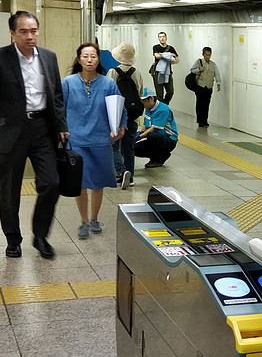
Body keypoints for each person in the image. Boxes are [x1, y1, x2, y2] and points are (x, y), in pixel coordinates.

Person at [0, 11, 69, 260]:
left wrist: (62, 126)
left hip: (42, 130)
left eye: (34, 31)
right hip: (10, 130)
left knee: (51, 184)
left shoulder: (48, 57)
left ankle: (41, 235)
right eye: (24, 31)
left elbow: (56, 95)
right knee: (9, 190)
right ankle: (13, 239)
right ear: (13, 33)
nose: (30, 36)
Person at [62, 43, 126, 239]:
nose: (89, 60)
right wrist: (61, 129)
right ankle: (84, 221)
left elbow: (119, 107)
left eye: (93, 57)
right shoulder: (68, 82)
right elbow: (59, 108)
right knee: (80, 182)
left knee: (98, 182)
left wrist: (120, 127)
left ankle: (95, 218)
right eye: (85, 56)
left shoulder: (108, 84)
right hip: (76, 139)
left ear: (98, 59)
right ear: (79, 59)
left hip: (101, 139)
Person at [108, 43, 144, 189]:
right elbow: (140, 93)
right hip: (133, 115)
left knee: (113, 145)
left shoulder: (113, 72)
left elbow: (108, 92)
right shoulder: (136, 72)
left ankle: (121, 173)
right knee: (129, 148)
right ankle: (131, 176)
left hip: (116, 115)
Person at [135, 90, 178, 168]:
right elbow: (145, 126)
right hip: (156, 138)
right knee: (134, 148)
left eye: (143, 101)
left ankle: (158, 158)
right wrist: (138, 134)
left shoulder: (163, 109)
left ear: (151, 99)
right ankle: (159, 155)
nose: (142, 103)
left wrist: (139, 137)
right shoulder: (148, 108)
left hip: (169, 140)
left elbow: (153, 129)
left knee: (151, 135)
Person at [188, 46, 222, 127]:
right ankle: (200, 121)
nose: (208, 56)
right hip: (200, 87)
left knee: (206, 104)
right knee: (200, 104)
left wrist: (218, 83)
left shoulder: (213, 65)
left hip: (209, 87)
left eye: (209, 55)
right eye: (206, 54)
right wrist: (199, 69)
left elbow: (217, 74)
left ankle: (205, 120)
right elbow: (192, 70)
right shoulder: (199, 62)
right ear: (203, 54)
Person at [152, 31, 179, 103]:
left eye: (163, 37)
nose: (162, 38)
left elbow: (177, 59)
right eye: (160, 37)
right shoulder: (156, 47)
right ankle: (161, 110)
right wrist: (169, 55)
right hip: (158, 72)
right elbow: (157, 56)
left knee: (170, 91)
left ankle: (164, 105)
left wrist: (173, 61)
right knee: (159, 94)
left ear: (166, 38)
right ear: (158, 38)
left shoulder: (171, 48)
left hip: (168, 72)